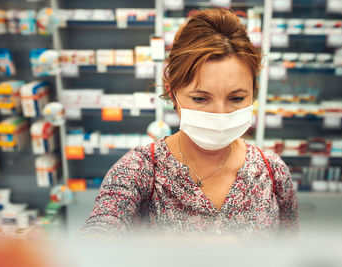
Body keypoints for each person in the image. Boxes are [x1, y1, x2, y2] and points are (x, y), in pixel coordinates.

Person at [82, 8, 299, 238]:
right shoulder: (140, 170)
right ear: (173, 94)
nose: (220, 113)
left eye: (236, 98)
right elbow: (101, 230)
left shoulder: (272, 172)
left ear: (254, 94)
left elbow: (291, 249)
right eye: (200, 98)